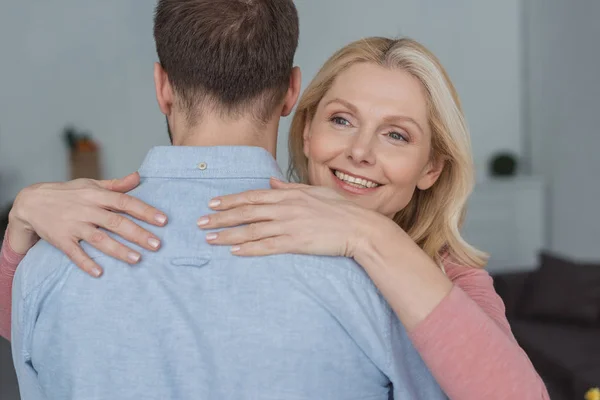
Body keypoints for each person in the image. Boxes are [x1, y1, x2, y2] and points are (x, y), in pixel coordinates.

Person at [0, 27, 551, 400]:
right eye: (341, 120)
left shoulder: (449, 275)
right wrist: (20, 231)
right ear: (304, 125)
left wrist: (369, 237)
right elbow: (31, 326)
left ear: (430, 168)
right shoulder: (250, 223)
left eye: (396, 134)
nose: (360, 151)